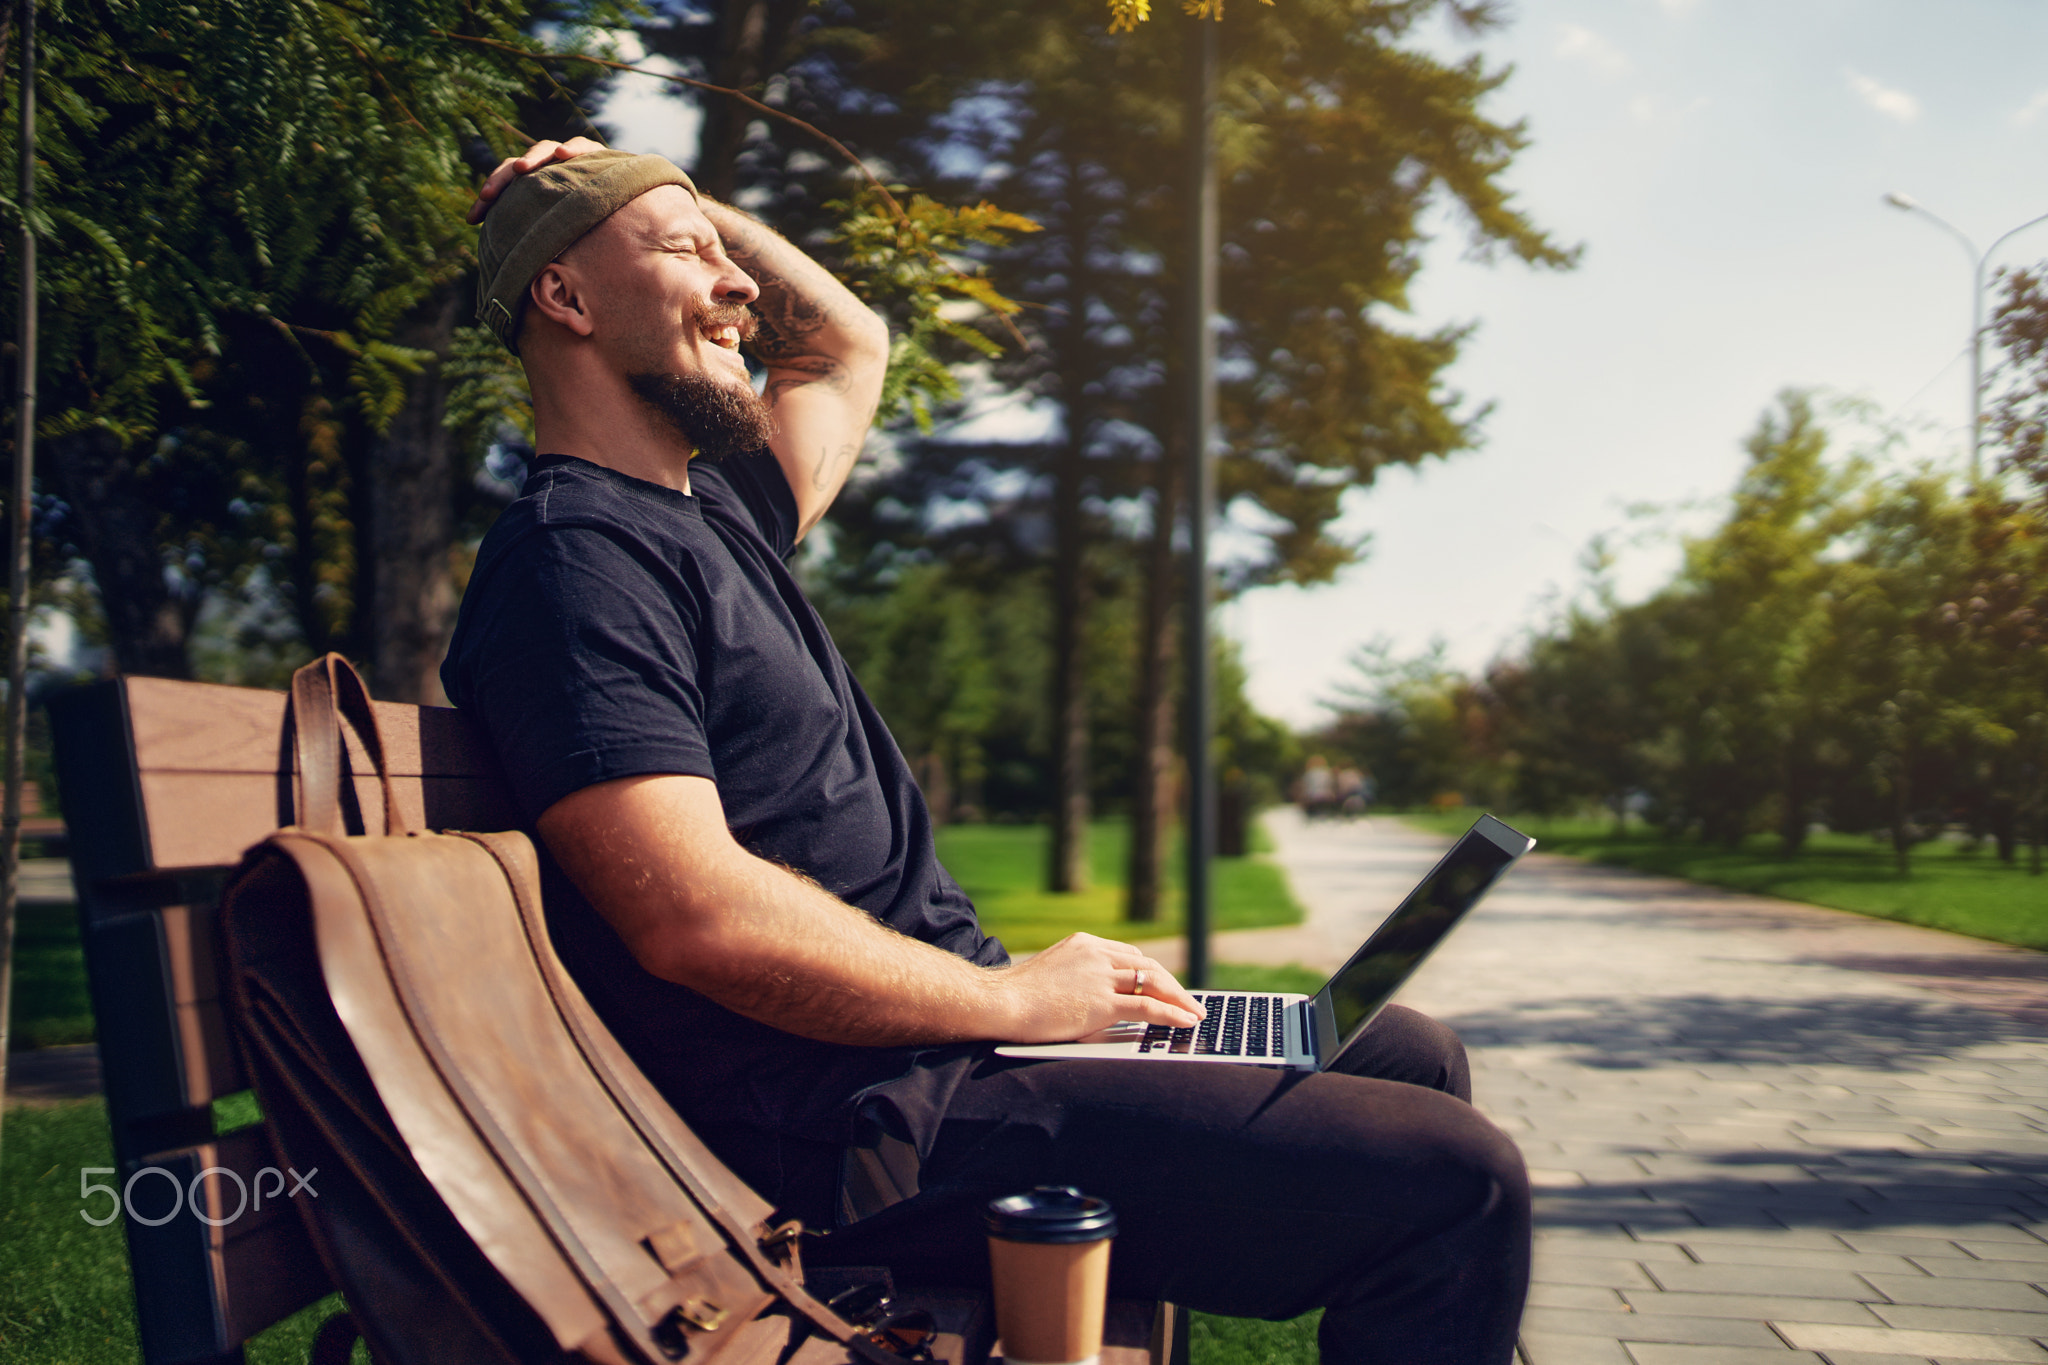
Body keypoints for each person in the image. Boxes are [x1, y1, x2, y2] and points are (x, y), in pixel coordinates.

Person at [443, 139, 1530, 1365]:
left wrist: (660, 196)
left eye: (727, 255)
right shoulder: (577, 562)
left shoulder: (719, 518)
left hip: (939, 1056)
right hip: (849, 1125)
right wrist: (1008, 1000)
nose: (739, 282)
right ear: (567, 299)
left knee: (1409, 1051)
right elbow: (693, 918)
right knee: (1458, 1181)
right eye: (690, 257)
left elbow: (848, 342)